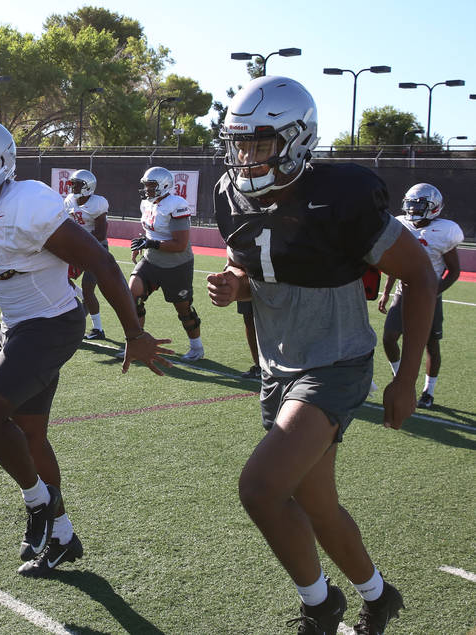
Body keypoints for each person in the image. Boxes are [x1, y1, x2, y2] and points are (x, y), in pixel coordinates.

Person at [207, 75, 437, 634]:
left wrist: (405, 379)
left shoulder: (341, 197)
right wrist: (236, 281)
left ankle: (320, 604)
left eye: (259, 144)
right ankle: (378, 596)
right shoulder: (229, 193)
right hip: (277, 364)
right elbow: (250, 260)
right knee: (317, 503)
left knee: (261, 488)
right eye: (239, 144)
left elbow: (421, 276)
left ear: (297, 140)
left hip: (334, 362)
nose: (245, 157)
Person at [0, 116, 171, 577]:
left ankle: (39, 503)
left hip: (52, 324)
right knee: (30, 434)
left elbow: (99, 259)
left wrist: (133, 333)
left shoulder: (28, 201)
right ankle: (62, 537)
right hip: (16, 324)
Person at [378, 183, 462, 409]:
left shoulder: (445, 230)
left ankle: (428, 391)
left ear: (434, 207)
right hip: (403, 290)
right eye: (411, 205)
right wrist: (386, 292)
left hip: (429, 291)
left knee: (431, 344)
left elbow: (454, 271)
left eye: (419, 205)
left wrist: (433, 293)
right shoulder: (400, 224)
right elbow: (398, 262)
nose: (413, 210)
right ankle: (399, 377)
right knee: (389, 337)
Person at [126, 166, 204, 361]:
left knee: (183, 309)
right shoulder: (146, 203)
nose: (147, 190)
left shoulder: (176, 204)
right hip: (152, 259)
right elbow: (150, 231)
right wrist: (142, 242)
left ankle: (196, 347)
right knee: (132, 294)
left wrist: (150, 243)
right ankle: (137, 343)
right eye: (146, 186)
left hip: (176, 263)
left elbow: (180, 244)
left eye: (151, 186)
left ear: (165, 185)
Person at [63, 169, 110, 340]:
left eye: (77, 184)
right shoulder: (69, 201)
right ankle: (82, 297)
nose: (73, 187)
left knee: (89, 288)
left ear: (88, 187)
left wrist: (77, 240)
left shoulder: (97, 203)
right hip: (77, 248)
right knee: (61, 277)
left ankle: (98, 329)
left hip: (96, 250)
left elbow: (100, 234)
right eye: (72, 184)